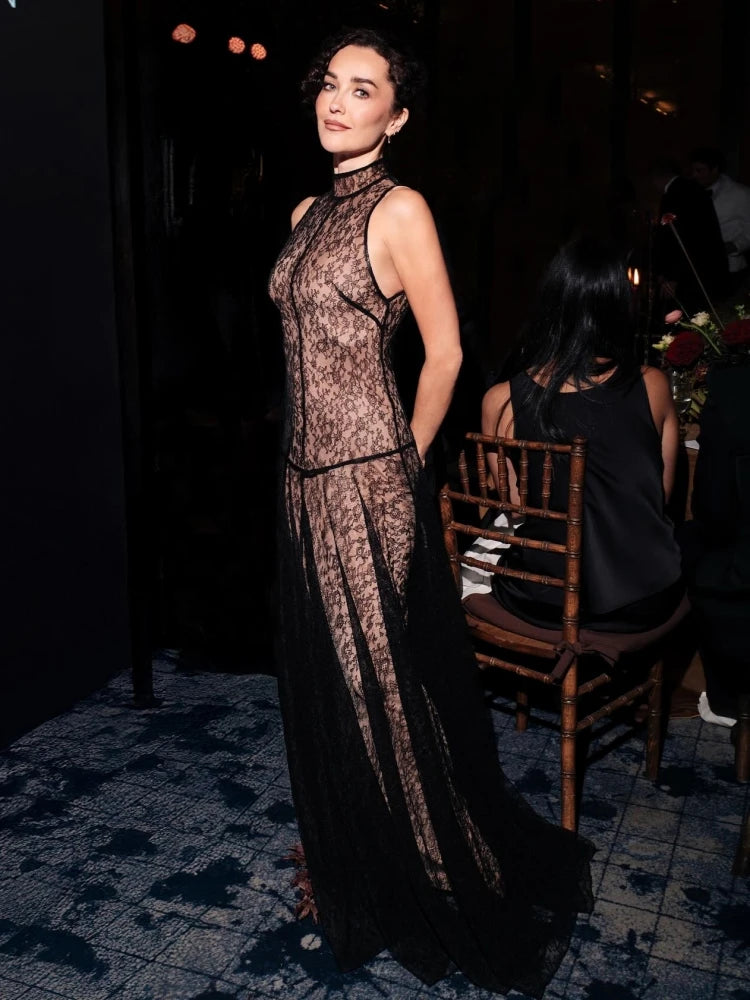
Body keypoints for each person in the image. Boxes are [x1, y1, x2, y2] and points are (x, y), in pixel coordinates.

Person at [268, 25, 594, 998]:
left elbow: (446, 351)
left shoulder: (401, 207)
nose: (338, 100)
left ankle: (444, 871)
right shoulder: (303, 209)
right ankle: (360, 859)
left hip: (368, 477)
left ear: (396, 115)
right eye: (331, 83)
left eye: (362, 89)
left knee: (381, 687)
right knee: (330, 679)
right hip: (301, 477)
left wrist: (402, 462)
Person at [482, 236, 685, 633]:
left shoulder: (502, 401)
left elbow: (516, 509)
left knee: (488, 558)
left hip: (547, 598)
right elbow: (658, 496)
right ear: (619, 307)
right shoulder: (653, 385)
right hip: (645, 598)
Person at [679, 361, 750, 727]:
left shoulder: (733, 386)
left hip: (738, 584)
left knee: (689, 543)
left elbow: (711, 508)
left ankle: (724, 696)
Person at [649, 157, 728, 316]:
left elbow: (678, 238)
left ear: (657, 177)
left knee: (686, 317)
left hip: (689, 274)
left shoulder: (675, 194)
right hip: (706, 269)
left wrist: (671, 276)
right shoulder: (694, 189)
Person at [689, 145, 750, 294]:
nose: (694, 175)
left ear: (714, 169)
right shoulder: (691, 192)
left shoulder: (740, 194)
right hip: (698, 269)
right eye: (693, 170)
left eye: (700, 170)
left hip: (730, 268)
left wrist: (734, 246)